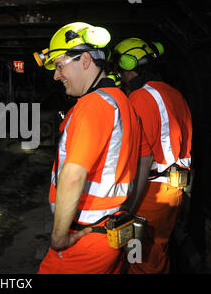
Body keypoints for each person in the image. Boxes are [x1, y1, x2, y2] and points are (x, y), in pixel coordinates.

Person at [34, 22, 143, 274]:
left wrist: (59, 238)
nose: (56, 75)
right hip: (110, 233)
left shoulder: (93, 105)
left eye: (60, 66)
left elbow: (73, 176)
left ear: (84, 59)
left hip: (85, 237)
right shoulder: (121, 101)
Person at [112, 38, 193, 274]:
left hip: (150, 193)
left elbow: (141, 157)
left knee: (141, 258)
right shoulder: (173, 93)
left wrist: (128, 205)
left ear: (128, 66)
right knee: (156, 253)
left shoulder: (140, 97)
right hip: (173, 190)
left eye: (119, 70)